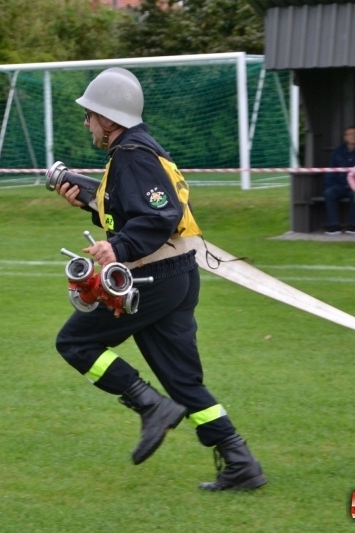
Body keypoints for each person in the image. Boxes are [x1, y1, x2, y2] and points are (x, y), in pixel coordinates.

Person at [54, 67, 267, 492]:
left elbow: (160, 214)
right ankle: (240, 462)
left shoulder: (132, 154)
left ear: (110, 118)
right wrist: (89, 202)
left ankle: (150, 405)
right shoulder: (137, 151)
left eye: (91, 115)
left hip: (155, 277)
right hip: (176, 276)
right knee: (183, 381)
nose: (87, 123)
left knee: (74, 343)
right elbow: (132, 211)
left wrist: (119, 248)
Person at [323, 126, 355, 235]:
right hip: (340, 185)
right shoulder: (338, 151)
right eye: (351, 134)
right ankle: (334, 226)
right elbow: (331, 170)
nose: (354, 136)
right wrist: (329, 185)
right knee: (329, 193)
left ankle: (354, 226)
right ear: (345, 137)